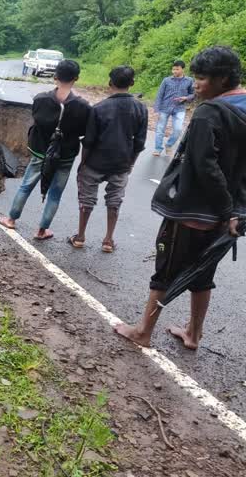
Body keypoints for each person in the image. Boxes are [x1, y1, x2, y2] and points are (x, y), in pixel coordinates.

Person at [115, 46, 246, 349]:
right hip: (226, 219)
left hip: (193, 212)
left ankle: (142, 331)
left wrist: (226, 209)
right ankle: (193, 334)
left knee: (165, 271)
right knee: (202, 273)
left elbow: (204, 165)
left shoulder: (208, 113)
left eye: (201, 79)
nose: (195, 85)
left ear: (222, 78)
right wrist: (233, 211)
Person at [0, 60, 92, 240]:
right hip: (65, 156)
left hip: (41, 152)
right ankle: (42, 231)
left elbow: (37, 121)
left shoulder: (40, 99)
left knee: (26, 186)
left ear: (55, 76)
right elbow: (82, 132)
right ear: (76, 78)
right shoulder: (83, 106)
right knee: (55, 194)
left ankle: (11, 219)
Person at [69, 66, 147, 253]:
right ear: (132, 83)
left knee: (86, 201)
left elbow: (88, 141)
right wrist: (131, 163)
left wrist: (83, 163)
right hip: (121, 164)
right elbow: (140, 142)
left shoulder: (99, 108)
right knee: (114, 202)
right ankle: (108, 240)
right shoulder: (140, 108)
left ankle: (80, 237)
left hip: (95, 162)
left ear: (109, 83)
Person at [153, 60, 195, 156]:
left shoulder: (189, 81)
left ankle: (169, 145)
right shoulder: (166, 80)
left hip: (179, 108)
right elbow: (160, 94)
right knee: (160, 129)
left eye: (177, 69)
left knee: (178, 129)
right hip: (165, 107)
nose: (174, 71)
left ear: (182, 69)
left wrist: (186, 98)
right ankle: (158, 149)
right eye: (173, 69)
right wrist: (156, 109)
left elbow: (193, 94)